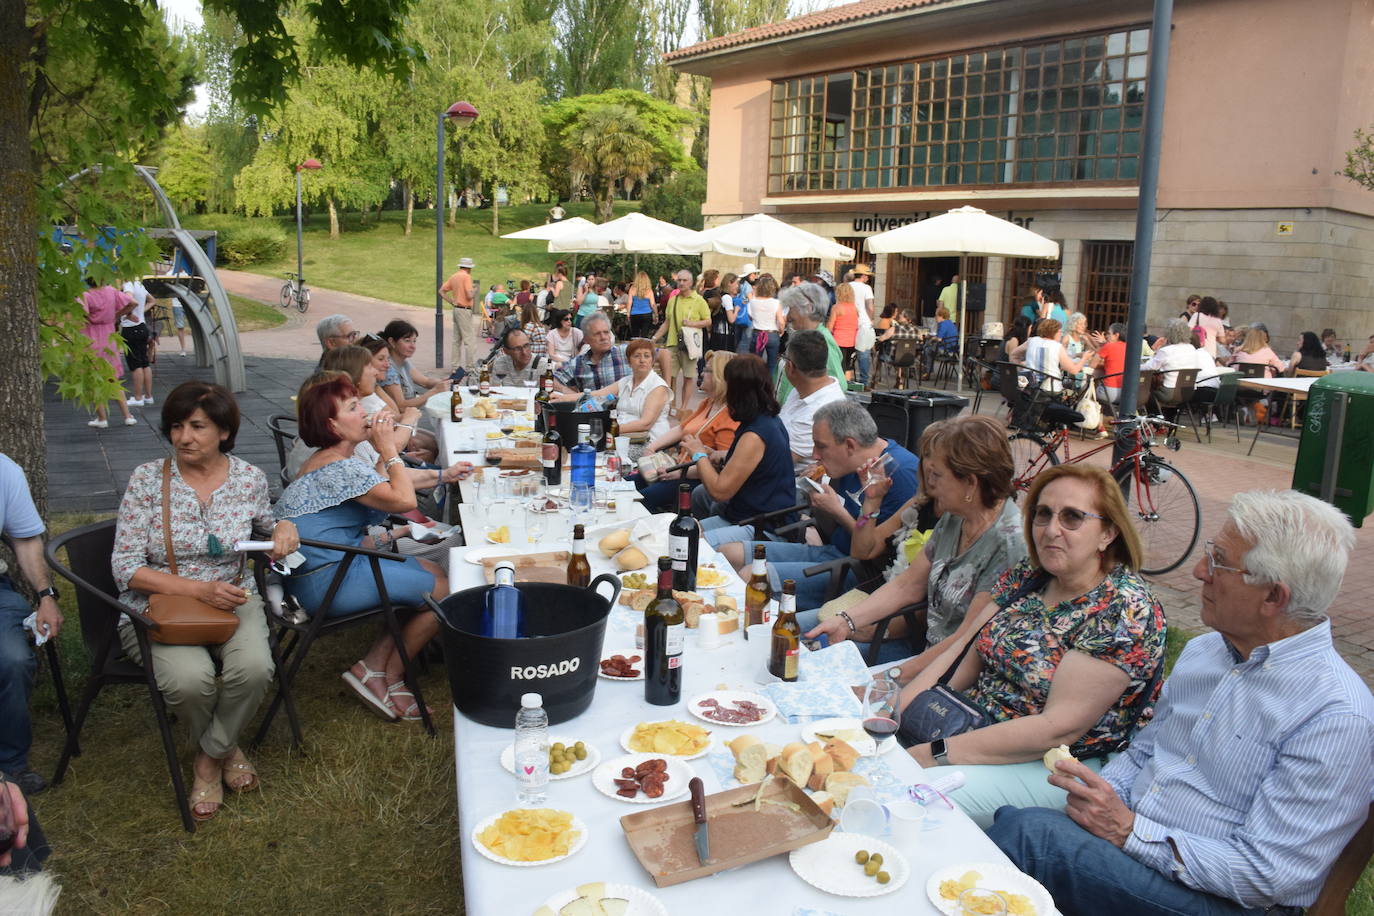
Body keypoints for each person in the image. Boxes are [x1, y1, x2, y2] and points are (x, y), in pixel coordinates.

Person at [989, 489, 1372, 916]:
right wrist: (1100, 798)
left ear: (1273, 598)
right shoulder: (1208, 652)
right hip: (1145, 851)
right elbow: (1146, 752)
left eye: (1220, 562)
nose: (1198, 571)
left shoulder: (1335, 715)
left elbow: (1265, 876)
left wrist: (1129, 831)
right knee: (1014, 821)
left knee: (1030, 838)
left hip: (1225, 899)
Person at [898, 464, 1165, 828]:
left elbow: (1056, 728)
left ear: (1108, 533)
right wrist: (900, 712)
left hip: (1058, 764)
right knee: (872, 751)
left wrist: (934, 754)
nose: (1052, 529)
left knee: (909, 794)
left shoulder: (1123, 608)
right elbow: (962, 655)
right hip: (972, 724)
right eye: (1043, 514)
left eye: (1072, 517)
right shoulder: (1031, 575)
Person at [111, 382, 299, 821]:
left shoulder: (249, 478)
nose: (183, 437)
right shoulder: (146, 479)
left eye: (197, 426)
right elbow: (124, 567)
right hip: (160, 607)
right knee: (189, 681)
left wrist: (285, 528)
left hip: (233, 600)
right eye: (176, 426)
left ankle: (206, 757)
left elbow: (270, 529)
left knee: (254, 669)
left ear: (224, 432)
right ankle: (226, 751)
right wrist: (198, 590)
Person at [276, 375, 449, 722]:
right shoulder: (340, 469)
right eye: (353, 407)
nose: (365, 412)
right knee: (443, 589)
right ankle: (381, 673)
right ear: (333, 425)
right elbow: (403, 499)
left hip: (312, 576)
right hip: (328, 582)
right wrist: (389, 448)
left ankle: (378, 668)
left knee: (433, 571)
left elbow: (377, 487)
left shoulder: (325, 462)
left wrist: (432, 471)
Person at [803, 415, 1025, 666]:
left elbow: (967, 642)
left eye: (936, 475)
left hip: (946, 664)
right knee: (801, 644)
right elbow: (904, 583)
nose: (928, 485)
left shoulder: (1007, 542)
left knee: (811, 656)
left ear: (971, 483)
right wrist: (846, 620)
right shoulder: (955, 516)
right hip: (910, 633)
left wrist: (892, 677)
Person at [715, 400, 920, 612]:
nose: (814, 455)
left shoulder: (899, 474)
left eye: (821, 446)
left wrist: (836, 512)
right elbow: (838, 527)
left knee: (752, 576)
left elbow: (874, 554)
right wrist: (819, 510)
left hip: (858, 574)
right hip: (832, 551)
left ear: (850, 445)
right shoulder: (852, 463)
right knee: (728, 553)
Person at [0, 456, 64, 796]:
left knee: (13, 659)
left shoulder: (3, 470)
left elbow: (25, 540)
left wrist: (46, 596)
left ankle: (10, 767)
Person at [688, 355, 796, 533]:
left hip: (761, 524)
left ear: (736, 390)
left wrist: (698, 454)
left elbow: (719, 492)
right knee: (696, 508)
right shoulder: (768, 419)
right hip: (748, 513)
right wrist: (721, 455)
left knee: (688, 538)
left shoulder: (755, 434)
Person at [637, 351, 740, 513]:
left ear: (720, 377)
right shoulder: (709, 402)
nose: (701, 373)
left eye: (707, 370)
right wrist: (652, 448)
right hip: (675, 468)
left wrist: (679, 472)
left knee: (638, 501)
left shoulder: (731, 416)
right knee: (625, 485)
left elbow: (720, 466)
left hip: (693, 479)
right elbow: (681, 428)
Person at [560, 338, 670, 440]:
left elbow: (645, 424)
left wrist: (608, 429)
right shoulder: (626, 381)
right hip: (621, 436)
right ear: (629, 362)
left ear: (652, 360)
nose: (642, 360)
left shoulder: (658, 386)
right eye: (636, 356)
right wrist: (562, 398)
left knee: (593, 443)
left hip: (648, 441)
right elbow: (597, 394)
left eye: (647, 356)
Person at [776, 330, 848, 469]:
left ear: (790, 367)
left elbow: (776, 463)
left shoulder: (818, 412)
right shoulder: (803, 389)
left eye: (784, 358)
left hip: (790, 483)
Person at [78, 278, 137, 428]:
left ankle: (102, 418)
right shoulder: (111, 291)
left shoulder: (86, 295)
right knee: (113, 379)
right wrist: (117, 315)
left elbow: (81, 313)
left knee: (94, 380)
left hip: (90, 338)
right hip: (109, 337)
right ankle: (127, 416)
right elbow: (132, 302)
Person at [775, 283, 846, 402]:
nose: (788, 317)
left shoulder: (822, 342)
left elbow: (839, 385)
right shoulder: (803, 336)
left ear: (808, 308)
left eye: (792, 307)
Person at [654, 270, 711, 409]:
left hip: (690, 345)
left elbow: (708, 321)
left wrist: (693, 324)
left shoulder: (699, 300)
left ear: (691, 283)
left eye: (685, 280)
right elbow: (667, 322)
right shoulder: (673, 300)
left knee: (688, 376)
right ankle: (671, 406)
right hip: (673, 343)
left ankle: (684, 408)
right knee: (669, 376)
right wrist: (655, 338)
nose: (681, 283)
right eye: (679, 280)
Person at [378, 319, 450, 411]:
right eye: (407, 341)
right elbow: (401, 406)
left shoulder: (403, 361)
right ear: (392, 342)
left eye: (414, 341)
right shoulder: (388, 368)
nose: (413, 346)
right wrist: (435, 391)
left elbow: (425, 381)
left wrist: (441, 383)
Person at [552, 312, 628, 394]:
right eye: (597, 334)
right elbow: (551, 380)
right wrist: (574, 396)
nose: (603, 337)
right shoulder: (578, 364)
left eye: (606, 332)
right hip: (592, 406)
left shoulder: (625, 353)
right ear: (586, 339)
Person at [1014, 318, 1086, 393]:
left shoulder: (1032, 341)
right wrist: (1084, 358)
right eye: (1059, 331)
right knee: (1073, 393)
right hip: (1050, 390)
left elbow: (1014, 355)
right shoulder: (1057, 346)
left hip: (1029, 387)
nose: (1061, 334)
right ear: (1053, 332)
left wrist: (1021, 372)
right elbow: (1074, 370)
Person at [120, 278, 154, 407]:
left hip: (130, 328)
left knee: (135, 365)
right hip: (142, 327)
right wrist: (141, 312)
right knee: (145, 363)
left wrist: (126, 314)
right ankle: (148, 396)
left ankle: (138, 397)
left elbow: (131, 301)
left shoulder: (127, 284)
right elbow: (152, 300)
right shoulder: (139, 284)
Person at [439, 256, 479, 368]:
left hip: (456, 309)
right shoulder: (466, 277)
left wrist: (451, 301)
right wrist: (475, 290)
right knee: (469, 340)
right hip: (465, 310)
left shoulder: (454, 276)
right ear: (469, 268)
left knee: (456, 340)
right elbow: (469, 295)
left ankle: (455, 367)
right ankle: (470, 367)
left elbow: (441, 291)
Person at [741, 274, 783, 369]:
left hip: (757, 332)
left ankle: (756, 382)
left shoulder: (752, 302)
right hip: (772, 334)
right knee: (772, 364)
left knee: (755, 364)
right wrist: (781, 331)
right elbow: (781, 321)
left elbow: (751, 318)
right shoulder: (776, 303)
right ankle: (770, 382)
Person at [849, 264, 877, 386]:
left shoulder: (847, 286)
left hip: (849, 322)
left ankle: (847, 380)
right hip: (863, 323)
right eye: (868, 276)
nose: (868, 278)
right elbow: (870, 307)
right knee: (864, 354)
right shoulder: (866, 288)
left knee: (848, 354)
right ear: (864, 276)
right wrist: (871, 319)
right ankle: (864, 382)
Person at [827, 280, 860, 377]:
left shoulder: (836, 307)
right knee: (848, 366)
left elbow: (830, 326)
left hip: (838, 341)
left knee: (838, 366)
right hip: (852, 341)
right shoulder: (854, 308)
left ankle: (839, 387)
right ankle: (847, 387)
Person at [708, 274, 739, 354]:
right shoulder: (727, 298)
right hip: (725, 335)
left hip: (716, 333)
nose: (737, 286)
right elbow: (731, 319)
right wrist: (736, 310)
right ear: (729, 283)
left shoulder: (719, 295)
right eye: (736, 283)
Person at [628, 271, 658, 340]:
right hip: (647, 314)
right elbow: (653, 304)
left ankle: (635, 349)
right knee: (644, 336)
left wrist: (628, 313)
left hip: (634, 314)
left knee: (635, 336)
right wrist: (656, 315)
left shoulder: (632, 289)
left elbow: (629, 302)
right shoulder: (649, 290)